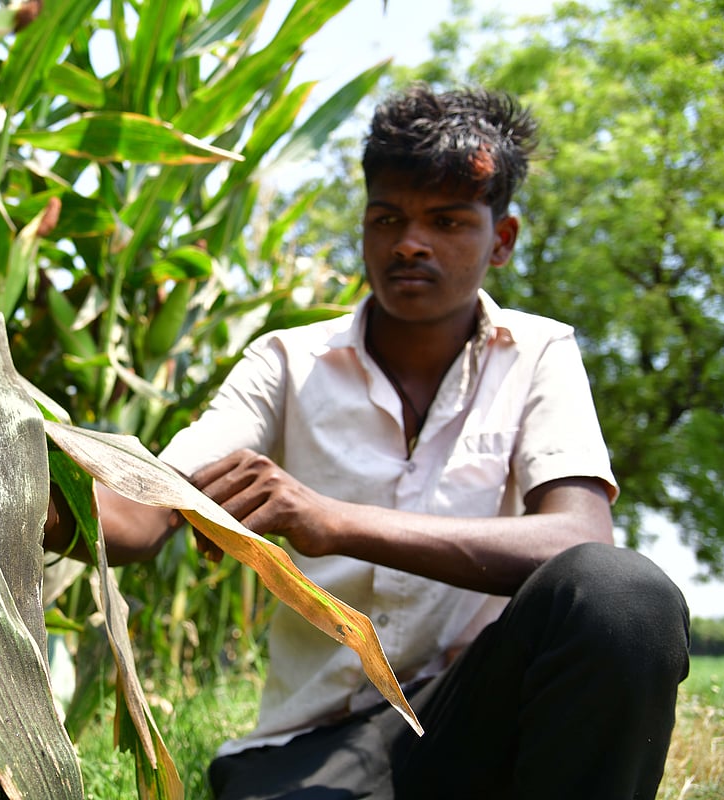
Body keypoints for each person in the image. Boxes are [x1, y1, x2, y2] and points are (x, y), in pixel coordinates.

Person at [45, 84, 690, 799]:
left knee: (624, 596)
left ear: (501, 240)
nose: (409, 242)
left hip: (472, 726)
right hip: (312, 746)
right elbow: (144, 516)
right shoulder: (287, 363)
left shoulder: (538, 353)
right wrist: (1, 488)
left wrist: (329, 520)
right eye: (387, 219)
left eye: (446, 221)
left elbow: (577, 537)